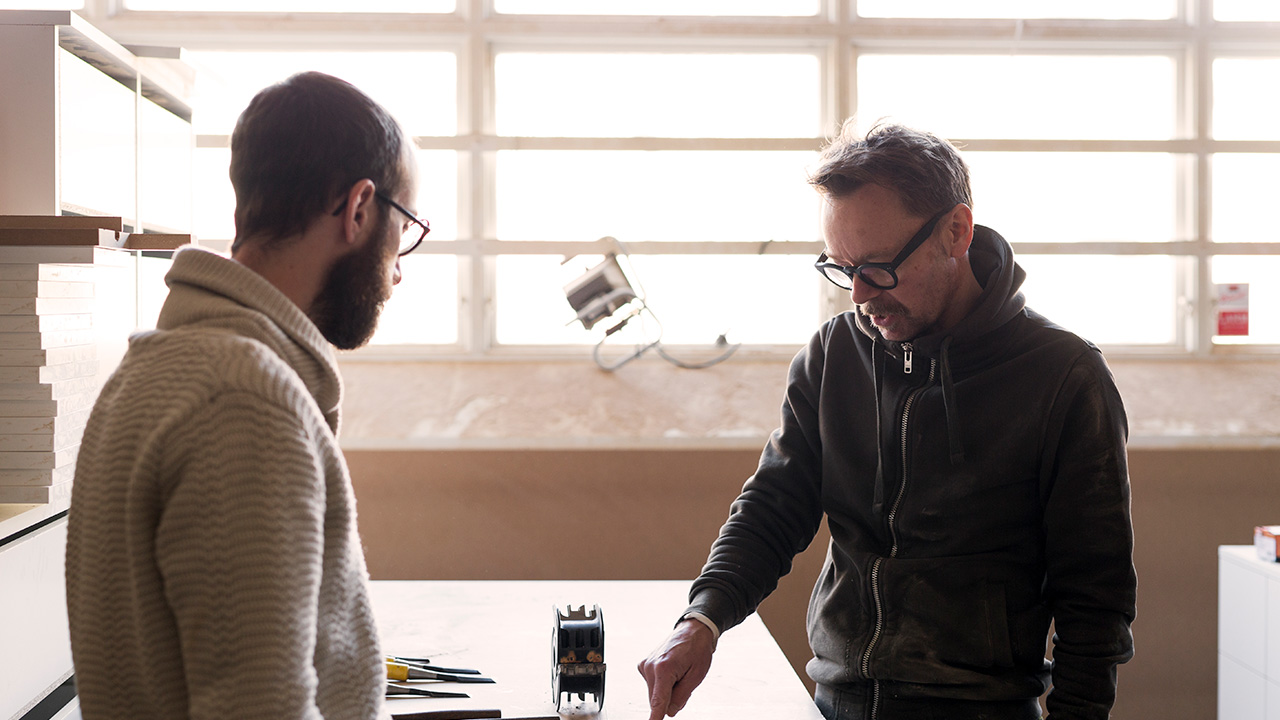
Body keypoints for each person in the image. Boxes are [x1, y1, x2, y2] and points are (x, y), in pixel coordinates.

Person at [638, 121, 1136, 720]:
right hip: (834, 700)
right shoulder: (834, 355)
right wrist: (702, 619)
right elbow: (774, 505)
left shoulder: (1063, 377)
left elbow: (1095, 596)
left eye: (877, 267)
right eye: (841, 268)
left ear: (956, 231)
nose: (858, 295)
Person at [65, 71, 428, 720]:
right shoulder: (244, 401)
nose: (399, 270)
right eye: (405, 232)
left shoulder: (148, 372)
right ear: (359, 209)